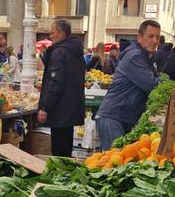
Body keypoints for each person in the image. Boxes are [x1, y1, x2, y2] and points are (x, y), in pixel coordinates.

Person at [95, 20, 161, 149]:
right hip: (113, 117)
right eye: (150, 36)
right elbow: (152, 84)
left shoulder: (144, 56)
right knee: (114, 162)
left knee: (120, 161)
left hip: (122, 117)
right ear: (139, 38)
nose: (154, 40)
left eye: (157, 37)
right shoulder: (134, 57)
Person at [37, 18, 86, 157]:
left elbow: (55, 82)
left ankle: (59, 176)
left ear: (61, 33)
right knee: (66, 149)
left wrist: (45, 107)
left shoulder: (60, 52)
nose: (50, 36)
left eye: (52, 33)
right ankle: (66, 176)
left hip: (60, 110)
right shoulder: (75, 51)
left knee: (58, 151)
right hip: (70, 109)